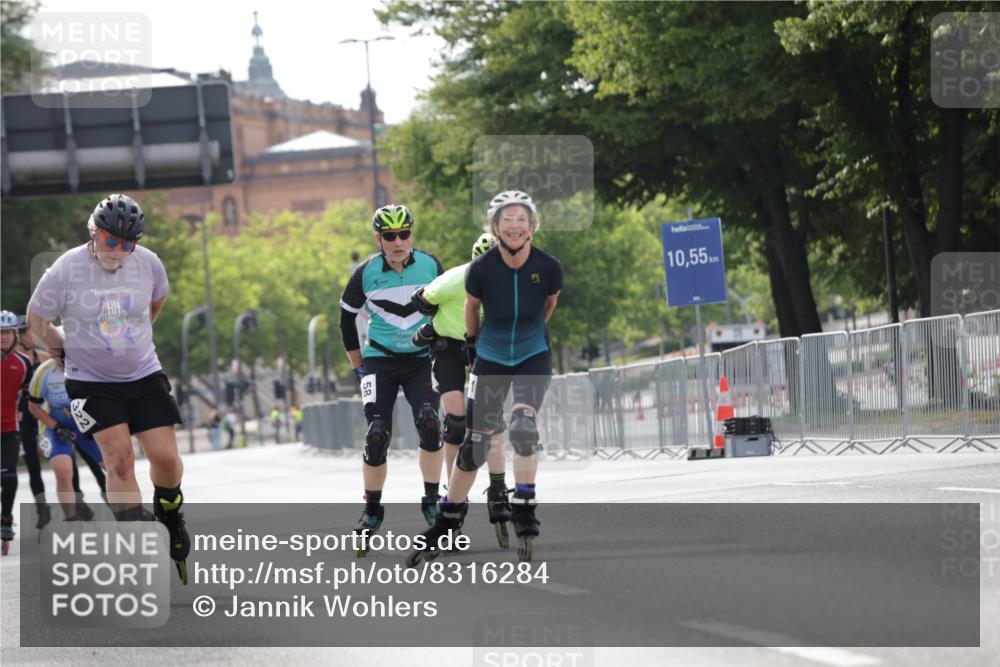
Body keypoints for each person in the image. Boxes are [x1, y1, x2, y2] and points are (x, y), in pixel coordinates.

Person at [26, 193, 190, 583]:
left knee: (166, 461)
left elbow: (156, 302)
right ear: (94, 234)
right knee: (118, 461)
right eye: (111, 241)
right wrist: (57, 347)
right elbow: (36, 317)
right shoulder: (66, 269)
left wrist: (135, 338)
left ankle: (169, 510)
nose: (118, 251)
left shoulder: (148, 263)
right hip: (90, 381)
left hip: (143, 373)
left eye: (127, 244)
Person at [408, 191, 562, 564]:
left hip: (531, 356)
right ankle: (448, 518)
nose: (514, 226)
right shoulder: (479, 270)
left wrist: (525, 337)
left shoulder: (549, 266)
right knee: (475, 445)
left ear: (532, 225)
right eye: (506, 220)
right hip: (490, 358)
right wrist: (475, 344)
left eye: (520, 219)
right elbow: (470, 307)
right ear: (494, 228)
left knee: (524, 426)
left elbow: (548, 306)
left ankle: (524, 504)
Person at [339, 204, 444, 551]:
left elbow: (450, 310)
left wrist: (448, 351)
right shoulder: (365, 273)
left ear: (412, 233)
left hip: (420, 359)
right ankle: (371, 510)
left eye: (404, 234)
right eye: (390, 236)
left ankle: (432, 502)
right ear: (378, 239)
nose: (398, 242)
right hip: (379, 361)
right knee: (376, 433)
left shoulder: (430, 265)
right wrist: (358, 367)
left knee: (430, 423)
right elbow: (346, 321)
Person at [410, 232, 515, 546]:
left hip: (485, 350)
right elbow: (422, 299)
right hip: (449, 348)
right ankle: (455, 494)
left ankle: (497, 488)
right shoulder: (455, 279)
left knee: (491, 420)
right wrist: (429, 318)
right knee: (455, 425)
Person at [17, 317, 105, 520]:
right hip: (55, 428)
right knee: (63, 471)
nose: (62, 356)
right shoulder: (43, 373)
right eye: (57, 350)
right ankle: (71, 520)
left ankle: (128, 513)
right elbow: (34, 407)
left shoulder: (88, 368)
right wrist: (57, 427)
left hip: (85, 426)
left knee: (115, 466)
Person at [1, 310, 32, 555]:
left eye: (8, 333)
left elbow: (29, 397)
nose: (3, 337)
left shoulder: (22, 364)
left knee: (9, 477)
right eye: (0, 333)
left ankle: (6, 518)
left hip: (9, 428)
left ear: (15, 335)